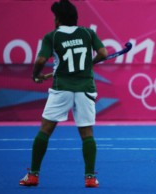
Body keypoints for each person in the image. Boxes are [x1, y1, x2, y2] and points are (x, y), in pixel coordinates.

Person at [19, 0, 108, 188]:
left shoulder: (52, 36)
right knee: (86, 133)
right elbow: (103, 53)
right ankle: (90, 178)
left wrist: (35, 75)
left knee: (45, 130)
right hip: (85, 88)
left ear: (58, 19)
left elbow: (41, 59)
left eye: (54, 17)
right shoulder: (87, 33)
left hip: (62, 89)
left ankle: (33, 175)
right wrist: (89, 64)